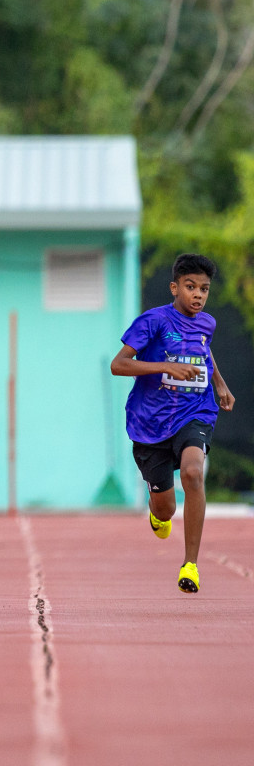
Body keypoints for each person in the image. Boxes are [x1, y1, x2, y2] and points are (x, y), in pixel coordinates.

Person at [110, 253, 236, 593]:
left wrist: (219, 384)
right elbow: (118, 365)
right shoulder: (153, 321)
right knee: (166, 510)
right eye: (190, 287)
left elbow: (204, 351)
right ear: (174, 287)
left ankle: (191, 565)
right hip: (149, 423)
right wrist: (165, 367)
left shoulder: (206, 323)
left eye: (204, 289)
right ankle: (157, 511)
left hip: (194, 412)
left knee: (194, 472)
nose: (197, 295)